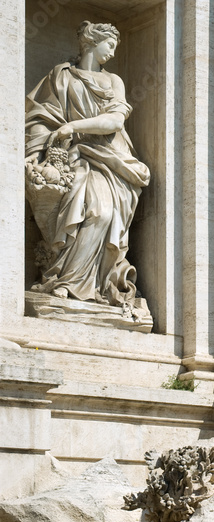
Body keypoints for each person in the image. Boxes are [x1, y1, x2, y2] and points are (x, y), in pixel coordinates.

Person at [25, 21, 150, 312]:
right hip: (73, 156)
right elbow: (39, 117)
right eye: (110, 45)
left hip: (111, 158)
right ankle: (64, 281)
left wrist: (72, 126)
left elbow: (115, 121)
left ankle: (90, 284)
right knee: (86, 211)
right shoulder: (61, 75)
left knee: (103, 213)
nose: (113, 51)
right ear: (92, 42)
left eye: (117, 47)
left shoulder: (113, 81)